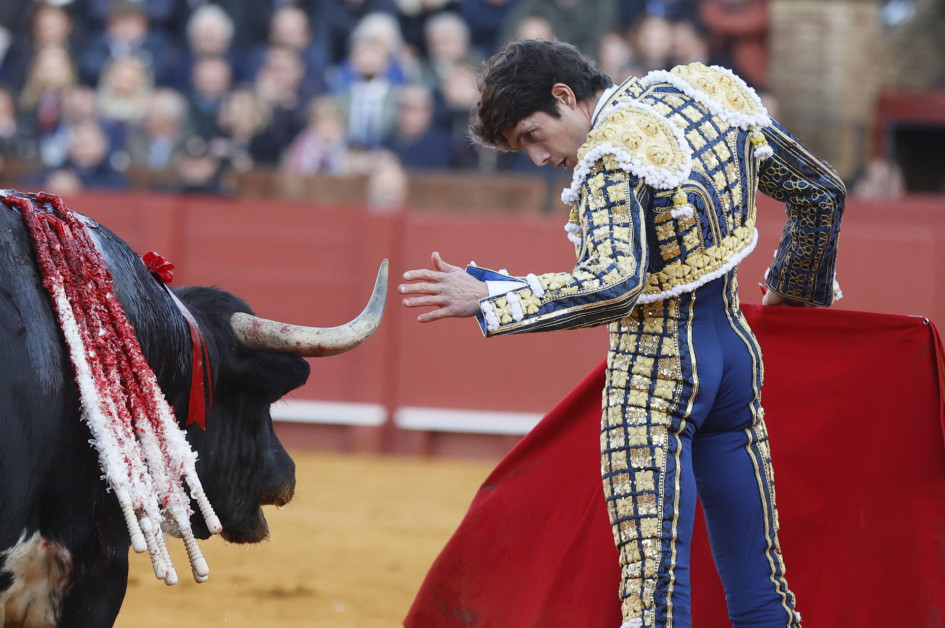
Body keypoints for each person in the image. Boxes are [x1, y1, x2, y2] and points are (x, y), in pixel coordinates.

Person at [399, 40, 845, 627]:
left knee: (654, 595)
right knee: (760, 584)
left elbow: (613, 286)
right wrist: (795, 292)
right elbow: (821, 192)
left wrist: (491, 300)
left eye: (532, 135)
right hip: (735, 363)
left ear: (565, 97)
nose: (536, 157)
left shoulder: (612, 151)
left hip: (654, 376)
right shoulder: (703, 91)